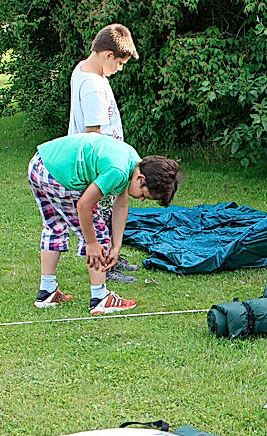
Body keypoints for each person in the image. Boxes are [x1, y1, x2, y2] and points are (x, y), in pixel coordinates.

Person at [29, 133, 181, 313]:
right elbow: (84, 205)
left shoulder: (132, 160)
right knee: (98, 231)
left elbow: (121, 204)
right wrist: (92, 243)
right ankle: (100, 298)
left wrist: (116, 246)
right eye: (143, 195)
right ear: (141, 179)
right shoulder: (117, 171)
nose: (140, 200)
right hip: (57, 174)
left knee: (54, 226)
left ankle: (47, 292)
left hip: (39, 164)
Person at [68, 23, 140, 284]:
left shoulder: (83, 70)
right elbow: (93, 136)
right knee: (99, 216)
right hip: (100, 165)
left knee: (109, 214)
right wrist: (105, 169)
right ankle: (106, 269)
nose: (119, 69)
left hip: (109, 161)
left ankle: (113, 257)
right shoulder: (95, 88)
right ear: (108, 55)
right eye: (120, 64)